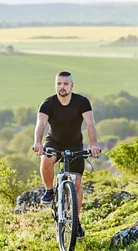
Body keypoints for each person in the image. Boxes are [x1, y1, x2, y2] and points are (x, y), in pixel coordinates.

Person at [32, 71, 100, 239]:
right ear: (56, 85)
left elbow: (90, 124)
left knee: (76, 183)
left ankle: (75, 221)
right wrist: (38, 142)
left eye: (65, 84)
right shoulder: (48, 103)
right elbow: (40, 124)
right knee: (46, 159)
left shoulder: (82, 102)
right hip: (53, 142)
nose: (62, 87)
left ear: (71, 86)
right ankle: (49, 190)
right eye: (59, 84)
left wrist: (93, 145)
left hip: (75, 144)